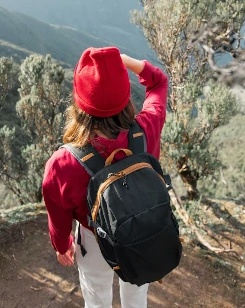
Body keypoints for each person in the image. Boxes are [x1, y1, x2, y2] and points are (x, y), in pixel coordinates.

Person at [42, 47, 169, 308]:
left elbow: (58, 212)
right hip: (141, 230)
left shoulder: (63, 163)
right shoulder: (147, 128)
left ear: (79, 105)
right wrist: (124, 62)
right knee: (136, 292)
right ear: (125, 97)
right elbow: (159, 81)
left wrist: (62, 242)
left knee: (96, 295)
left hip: (94, 237)